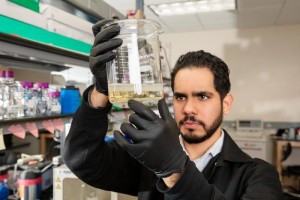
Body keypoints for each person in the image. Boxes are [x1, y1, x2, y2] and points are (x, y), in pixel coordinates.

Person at [63, 19, 283, 200]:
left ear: (226, 103)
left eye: (202, 96)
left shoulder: (257, 174)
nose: (188, 108)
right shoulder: (149, 158)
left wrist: (174, 171)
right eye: (180, 97)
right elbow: (83, 161)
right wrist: (101, 92)